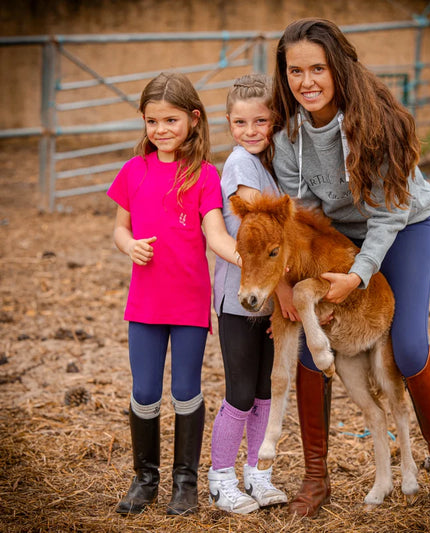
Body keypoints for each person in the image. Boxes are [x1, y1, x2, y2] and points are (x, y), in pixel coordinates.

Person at [268, 18, 430, 517]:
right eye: (295, 71)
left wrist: (357, 276)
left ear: (337, 68)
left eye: (317, 68)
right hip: (339, 235)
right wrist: (291, 282)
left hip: (403, 228)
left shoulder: (377, 124)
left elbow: (388, 215)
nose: (306, 81)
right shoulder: (288, 134)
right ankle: (316, 480)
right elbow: (302, 216)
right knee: (308, 340)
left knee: (406, 346)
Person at [107, 72, 240, 517]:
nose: (161, 130)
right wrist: (129, 246)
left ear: (193, 120)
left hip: (188, 304)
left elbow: (216, 234)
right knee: (144, 392)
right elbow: (120, 228)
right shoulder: (133, 170)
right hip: (144, 304)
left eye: (171, 120)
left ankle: (185, 484)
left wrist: (249, 259)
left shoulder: (204, 175)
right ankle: (145, 480)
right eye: (152, 121)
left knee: (186, 390)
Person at [208, 74, 288, 514]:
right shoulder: (240, 163)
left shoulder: (274, 163)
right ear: (228, 124)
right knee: (240, 391)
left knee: (264, 390)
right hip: (240, 297)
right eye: (241, 122)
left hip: (269, 297)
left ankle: (257, 475)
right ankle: (221, 479)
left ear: (274, 121)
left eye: (260, 120)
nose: (251, 130)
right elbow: (263, 220)